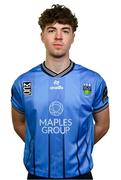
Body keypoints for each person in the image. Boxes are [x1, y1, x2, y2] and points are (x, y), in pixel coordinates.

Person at [11, 4, 110, 180]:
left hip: (80, 174)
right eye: (51, 30)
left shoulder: (93, 81)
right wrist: (40, 146)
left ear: (73, 36)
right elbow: (19, 123)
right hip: (37, 174)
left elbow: (102, 125)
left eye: (65, 30)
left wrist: (78, 147)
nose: (58, 36)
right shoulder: (24, 83)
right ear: (42, 36)